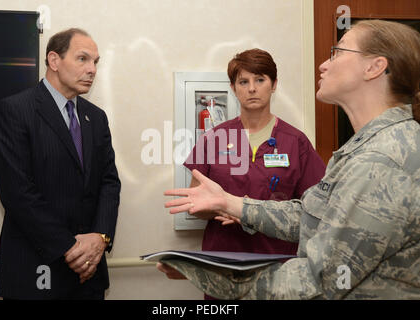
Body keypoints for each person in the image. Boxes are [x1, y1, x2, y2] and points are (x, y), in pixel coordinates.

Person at [159, 19, 420, 299]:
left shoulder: (380, 159)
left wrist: (215, 275)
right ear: (233, 88)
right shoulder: (362, 150)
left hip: (281, 274)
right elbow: (314, 216)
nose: (323, 64)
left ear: (374, 67)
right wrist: (231, 204)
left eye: (339, 51)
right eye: (243, 81)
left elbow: (326, 281)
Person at [183, 49, 325, 298]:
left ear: (274, 85)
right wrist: (228, 208)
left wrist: (250, 213)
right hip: (223, 265)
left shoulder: (296, 142)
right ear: (233, 88)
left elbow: (316, 211)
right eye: (243, 82)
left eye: (260, 80)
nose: (252, 88)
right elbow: (194, 204)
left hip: (277, 266)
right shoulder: (214, 138)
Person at [0, 28, 121, 300]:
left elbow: (109, 182)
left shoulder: (96, 118)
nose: (92, 70)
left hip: (89, 273)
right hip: (35, 270)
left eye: (95, 62)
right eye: (83, 59)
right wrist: (71, 249)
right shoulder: (15, 110)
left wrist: (100, 238)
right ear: (54, 60)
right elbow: (17, 193)